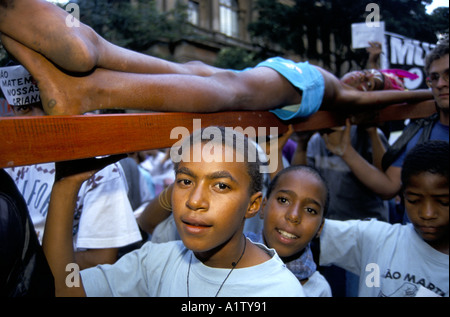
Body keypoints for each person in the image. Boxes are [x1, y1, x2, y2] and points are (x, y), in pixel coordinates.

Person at [0, 0, 432, 117]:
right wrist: (378, 66)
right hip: (258, 74)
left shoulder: (340, 93)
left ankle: (91, 88)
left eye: (373, 82)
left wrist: (431, 88)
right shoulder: (335, 78)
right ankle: (92, 49)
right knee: (190, 71)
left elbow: (375, 100)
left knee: (222, 89)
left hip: (273, 85)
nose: (364, 78)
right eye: (367, 72)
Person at [42, 127, 305, 296]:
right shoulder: (157, 261)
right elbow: (65, 286)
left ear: (252, 205)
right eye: (186, 181)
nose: (195, 200)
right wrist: (67, 184)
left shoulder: (279, 290)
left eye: (221, 185)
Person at [1, 63, 143, 269]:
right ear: (11, 109)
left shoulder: (96, 164)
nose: (39, 120)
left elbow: (99, 259)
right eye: (24, 108)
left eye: (48, 105)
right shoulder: (7, 152)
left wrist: (21, 271)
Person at [322, 37, 448, 207]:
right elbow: (389, 187)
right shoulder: (418, 132)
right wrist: (346, 152)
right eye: (435, 77)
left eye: (449, 75)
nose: (440, 84)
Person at [319, 140, 449, 297]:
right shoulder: (378, 239)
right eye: (414, 200)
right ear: (402, 197)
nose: (427, 213)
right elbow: (299, 225)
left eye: (443, 201)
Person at [246, 165, 332, 297]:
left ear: (320, 227)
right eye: (283, 200)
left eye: (310, 210)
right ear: (263, 207)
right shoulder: (226, 258)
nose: (294, 216)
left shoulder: (319, 290)